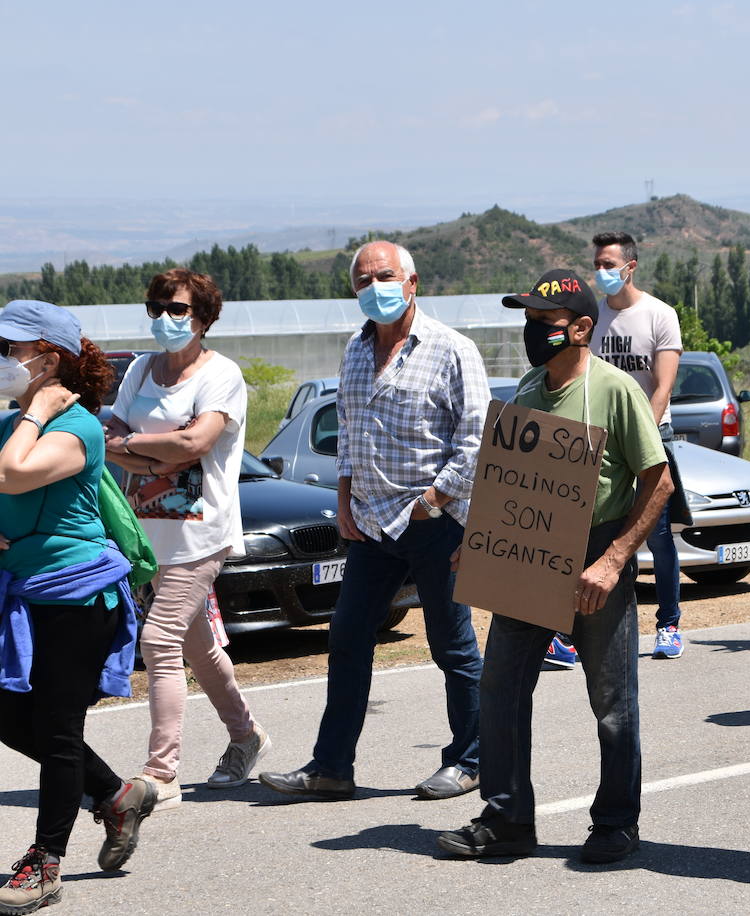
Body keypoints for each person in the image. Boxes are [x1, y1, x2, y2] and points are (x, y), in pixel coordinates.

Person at [436, 268, 671, 865]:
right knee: (501, 687)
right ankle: (508, 817)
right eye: (529, 320)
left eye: (544, 322)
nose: (532, 331)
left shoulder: (616, 390)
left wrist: (614, 561)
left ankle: (617, 823)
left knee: (613, 702)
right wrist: (481, 540)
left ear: (582, 328)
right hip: (531, 560)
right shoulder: (525, 391)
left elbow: (659, 481)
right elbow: (507, 481)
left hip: (596, 558)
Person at [259, 241, 488, 802]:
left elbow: (476, 442)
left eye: (384, 277)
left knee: (451, 644)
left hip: (435, 521)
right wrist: (342, 500)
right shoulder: (355, 351)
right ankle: (332, 768)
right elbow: (349, 437)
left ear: (412, 283)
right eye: (362, 281)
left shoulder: (453, 349)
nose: (374, 288)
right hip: (369, 523)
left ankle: (472, 759)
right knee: (348, 636)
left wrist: (432, 502)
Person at [0, 300, 156, 913]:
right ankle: (117, 795)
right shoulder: (12, 420)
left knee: (58, 730)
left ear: (50, 357)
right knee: (12, 719)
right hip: (21, 594)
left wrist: (38, 411)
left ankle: (44, 862)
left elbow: (12, 475)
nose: (3, 359)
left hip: (76, 595)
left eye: (11, 348)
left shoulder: (79, 427)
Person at [103, 270, 268, 810]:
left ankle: (161, 771)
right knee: (196, 645)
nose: (165, 318)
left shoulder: (223, 374)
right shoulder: (139, 371)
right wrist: (160, 449)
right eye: (156, 307)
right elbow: (112, 442)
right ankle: (247, 737)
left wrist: (143, 446)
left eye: (177, 309)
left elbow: (199, 440)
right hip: (148, 534)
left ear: (203, 317)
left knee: (158, 641)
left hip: (202, 534)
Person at [590, 231, 686, 660]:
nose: (601, 272)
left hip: (649, 437)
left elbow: (662, 387)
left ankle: (669, 624)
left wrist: (639, 439)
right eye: (597, 264)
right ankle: (578, 631)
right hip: (599, 443)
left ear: (630, 267)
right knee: (590, 532)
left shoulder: (659, 315)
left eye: (609, 264)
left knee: (658, 537)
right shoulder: (591, 318)